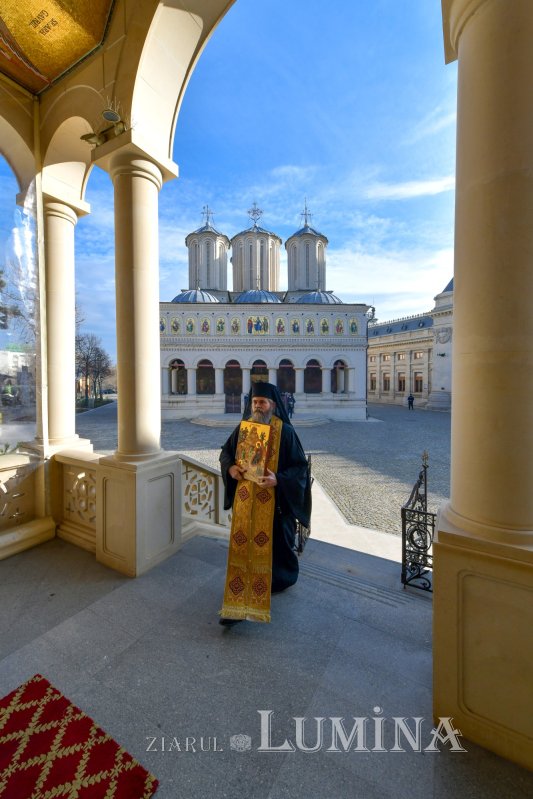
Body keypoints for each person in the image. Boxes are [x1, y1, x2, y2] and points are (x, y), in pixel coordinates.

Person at [219, 382, 311, 625]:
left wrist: (277, 479)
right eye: (254, 402)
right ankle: (239, 595)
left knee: (276, 548)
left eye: (263, 402)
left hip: (275, 504)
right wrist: (231, 468)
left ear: (272, 405)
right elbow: (225, 453)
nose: (258, 406)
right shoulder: (243, 428)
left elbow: (300, 468)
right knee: (244, 547)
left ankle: (277, 580)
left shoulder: (286, 433)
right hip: (246, 503)